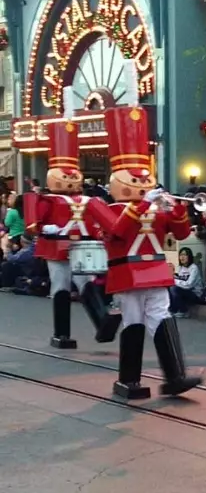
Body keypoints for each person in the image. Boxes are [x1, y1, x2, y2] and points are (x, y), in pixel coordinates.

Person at [85, 101, 202, 399]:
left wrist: (175, 210)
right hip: (126, 271)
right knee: (134, 322)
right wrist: (143, 204)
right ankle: (129, 380)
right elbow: (117, 231)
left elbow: (182, 233)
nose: (140, 182)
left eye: (144, 177)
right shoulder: (101, 206)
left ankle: (174, 375)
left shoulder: (151, 206)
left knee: (162, 316)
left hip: (156, 270)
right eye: (134, 179)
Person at [23, 113, 120, 347]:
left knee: (86, 281)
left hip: (81, 245)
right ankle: (62, 333)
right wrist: (50, 228)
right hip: (56, 246)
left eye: (72, 173)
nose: (69, 178)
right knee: (61, 285)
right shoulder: (47, 199)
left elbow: (104, 221)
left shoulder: (87, 200)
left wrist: (103, 235)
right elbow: (33, 224)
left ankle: (102, 321)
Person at [169, 247, 204, 318]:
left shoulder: (194, 268)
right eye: (180, 255)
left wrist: (174, 281)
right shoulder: (180, 268)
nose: (182, 257)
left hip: (195, 294)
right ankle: (172, 310)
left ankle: (183, 310)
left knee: (174, 288)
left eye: (184, 255)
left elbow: (189, 285)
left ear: (189, 256)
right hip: (183, 293)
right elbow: (179, 280)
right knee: (169, 287)